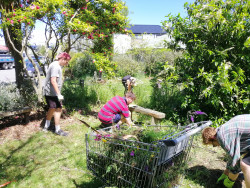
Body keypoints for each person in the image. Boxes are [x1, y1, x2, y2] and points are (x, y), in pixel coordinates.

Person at [202, 114, 250, 188]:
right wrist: (226, 172)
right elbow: (236, 152)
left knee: (245, 165)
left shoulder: (222, 138)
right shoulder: (223, 129)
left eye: (213, 144)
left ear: (213, 138)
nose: (216, 146)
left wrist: (230, 181)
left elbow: (235, 162)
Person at [43, 52, 71, 136]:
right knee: (58, 109)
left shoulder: (55, 65)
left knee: (52, 109)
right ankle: (57, 130)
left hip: (50, 92)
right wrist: (58, 94)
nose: (67, 63)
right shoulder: (56, 66)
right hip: (52, 93)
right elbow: (53, 81)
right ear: (63, 59)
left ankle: (46, 127)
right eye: (67, 61)